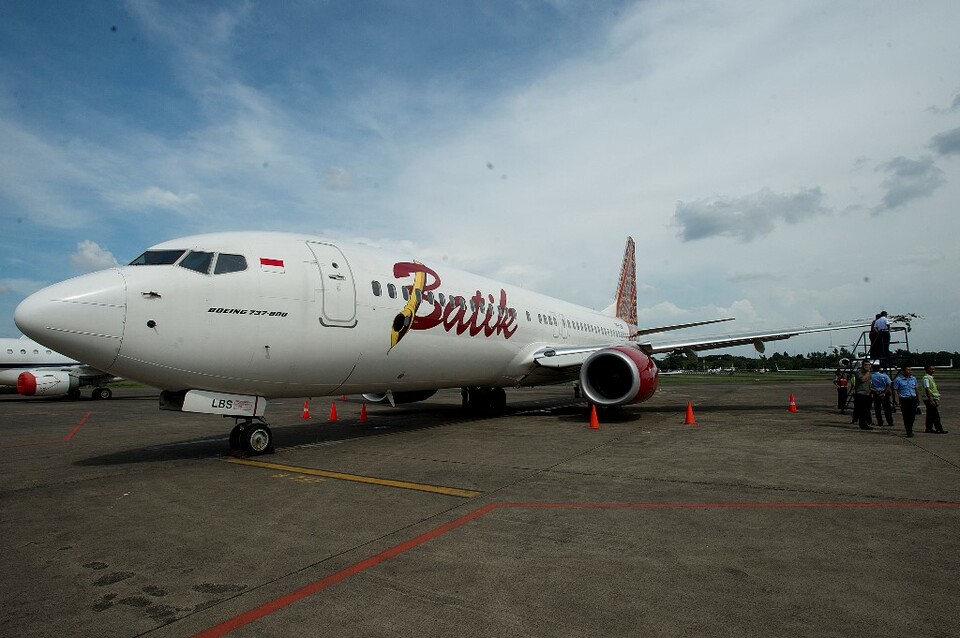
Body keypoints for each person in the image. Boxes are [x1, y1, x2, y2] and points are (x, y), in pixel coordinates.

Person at [892, 364, 919, 438]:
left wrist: (918, 399)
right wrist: (896, 400)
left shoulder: (913, 379)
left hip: (913, 399)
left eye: (911, 370)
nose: (910, 371)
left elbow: (916, 389)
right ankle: (909, 431)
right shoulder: (898, 380)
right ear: (903, 371)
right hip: (904, 400)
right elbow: (895, 390)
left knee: (912, 416)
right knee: (906, 416)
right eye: (908, 370)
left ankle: (909, 427)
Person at [921, 365, 947, 434]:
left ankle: (929, 428)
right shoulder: (926, 378)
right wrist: (931, 400)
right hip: (928, 398)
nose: (933, 370)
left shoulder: (930, 378)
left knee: (930, 414)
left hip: (929, 398)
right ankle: (939, 429)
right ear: (926, 370)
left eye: (933, 369)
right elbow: (927, 389)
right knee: (935, 415)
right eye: (931, 369)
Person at [853, 361, 874, 430]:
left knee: (867, 410)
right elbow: (863, 379)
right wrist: (868, 372)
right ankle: (862, 424)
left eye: (868, 365)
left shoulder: (869, 374)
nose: (867, 366)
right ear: (862, 365)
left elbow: (870, 382)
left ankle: (867, 422)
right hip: (860, 394)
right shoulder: (858, 372)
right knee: (861, 410)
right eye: (865, 365)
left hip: (867, 393)